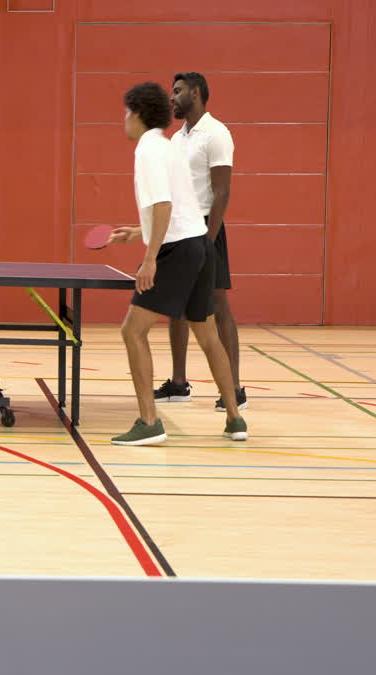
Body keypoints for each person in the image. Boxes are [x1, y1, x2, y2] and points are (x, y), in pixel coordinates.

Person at [109, 82, 246, 446]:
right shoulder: (170, 147)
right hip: (201, 245)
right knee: (207, 334)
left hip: (179, 251)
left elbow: (165, 206)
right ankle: (235, 419)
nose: (123, 120)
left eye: (126, 112)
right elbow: (181, 206)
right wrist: (139, 231)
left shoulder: (148, 150)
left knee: (132, 331)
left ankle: (149, 422)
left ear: (138, 114)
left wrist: (149, 257)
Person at [154, 71, 246, 411]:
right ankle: (179, 384)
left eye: (177, 91)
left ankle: (233, 388)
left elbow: (222, 190)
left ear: (196, 92)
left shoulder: (216, 133)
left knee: (218, 305)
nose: (172, 97)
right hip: (179, 228)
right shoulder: (178, 138)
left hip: (207, 228)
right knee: (175, 306)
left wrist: (208, 240)